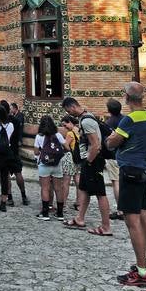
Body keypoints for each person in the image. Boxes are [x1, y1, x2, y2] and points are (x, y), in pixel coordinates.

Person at [106, 82, 146, 288]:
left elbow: (112, 143)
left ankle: (141, 272)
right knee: (145, 215)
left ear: (127, 98)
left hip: (130, 172)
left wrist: (110, 138)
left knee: (133, 222)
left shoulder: (129, 120)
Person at [61, 97, 112, 236]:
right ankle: (80, 219)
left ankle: (106, 227)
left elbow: (96, 145)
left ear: (72, 107)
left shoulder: (87, 121)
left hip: (93, 161)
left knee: (100, 193)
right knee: (83, 189)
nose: (69, 114)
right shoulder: (86, 117)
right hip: (88, 161)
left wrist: (89, 161)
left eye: (68, 110)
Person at [34, 116, 67, 220]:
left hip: (44, 165)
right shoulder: (58, 135)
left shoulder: (39, 136)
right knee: (58, 188)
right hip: (57, 164)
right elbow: (66, 147)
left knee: (45, 188)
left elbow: (36, 152)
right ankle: (60, 213)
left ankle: (45, 213)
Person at [104, 98, 124, 221]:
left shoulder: (109, 122)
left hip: (113, 156)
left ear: (109, 110)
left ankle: (120, 210)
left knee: (116, 182)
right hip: (124, 155)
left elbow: (106, 141)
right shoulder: (125, 120)